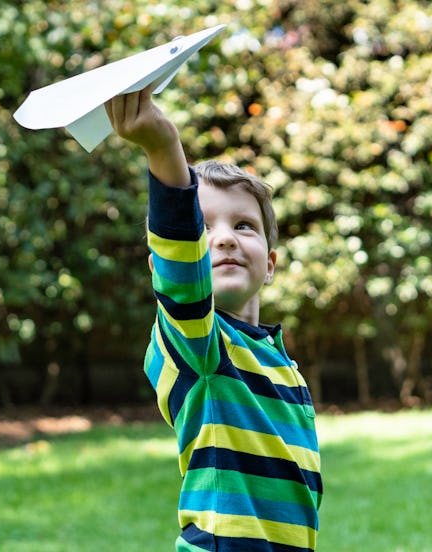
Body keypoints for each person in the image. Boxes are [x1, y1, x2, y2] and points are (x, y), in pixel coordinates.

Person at [105, 86, 322, 552]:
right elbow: (181, 269)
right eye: (204, 227)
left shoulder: (279, 362)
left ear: (270, 263)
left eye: (243, 225)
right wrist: (164, 146)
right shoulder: (201, 345)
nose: (223, 239)